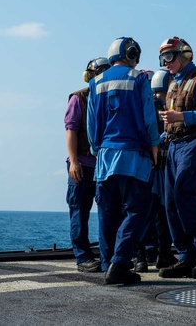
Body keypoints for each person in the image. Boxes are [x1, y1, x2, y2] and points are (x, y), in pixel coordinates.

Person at [86, 37, 160, 285]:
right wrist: (154, 146)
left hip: (105, 158)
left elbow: (91, 126)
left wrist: (99, 150)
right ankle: (119, 263)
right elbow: (149, 118)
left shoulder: (95, 82)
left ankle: (108, 264)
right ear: (131, 54)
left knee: (107, 214)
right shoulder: (139, 79)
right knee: (136, 211)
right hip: (133, 158)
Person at [157, 36, 196, 279]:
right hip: (173, 146)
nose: (165, 63)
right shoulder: (173, 84)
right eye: (162, 58)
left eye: (169, 57)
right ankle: (187, 256)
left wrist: (182, 118)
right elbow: (173, 120)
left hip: (194, 145)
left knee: (185, 196)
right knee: (170, 202)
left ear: (184, 54)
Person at [65, 56, 110, 273]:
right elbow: (71, 130)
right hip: (82, 163)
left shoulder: (107, 98)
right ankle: (83, 257)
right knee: (79, 211)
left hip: (103, 165)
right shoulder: (79, 99)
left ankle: (106, 256)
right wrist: (74, 161)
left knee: (107, 210)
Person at [134, 69, 178, 273]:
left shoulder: (146, 105)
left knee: (153, 212)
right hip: (156, 167)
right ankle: (154, 254)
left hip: (150, 166)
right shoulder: (157, 107)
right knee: (156, 212)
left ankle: (150, 254)